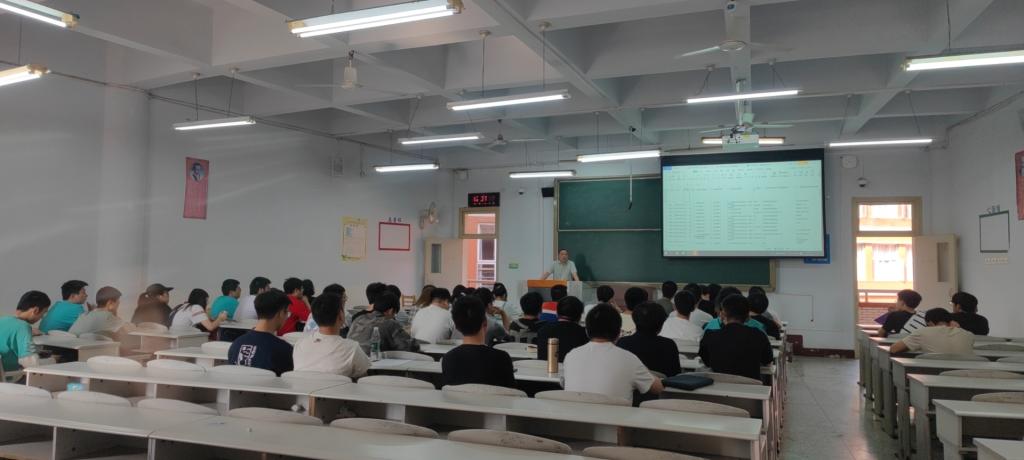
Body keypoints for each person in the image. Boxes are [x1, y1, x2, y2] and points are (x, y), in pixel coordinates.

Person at [563, 303, 663, 403]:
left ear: (587, 331)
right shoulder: (629, 359)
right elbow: (658, 388)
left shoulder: (571, 355)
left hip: (573, 412)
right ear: (618, 333)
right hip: (615, 413)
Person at [441, 295, 516, 388]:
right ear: (485, 323)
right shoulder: (502, 358)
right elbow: (511, 392)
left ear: (456, 326)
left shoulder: (448, 358)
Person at [292, 293, 370, 378]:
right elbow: (365, 377)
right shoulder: (351, 348)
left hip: (302, 386)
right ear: (340, 315)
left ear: (313, 317)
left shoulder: (299, 344)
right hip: (339, 387)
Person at [698, 294, 773, 381]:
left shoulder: (710, 335)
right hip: (750, 387)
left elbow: (706, 361)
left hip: (718, 385)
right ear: (748, 317)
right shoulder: (759, 335)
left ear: (722, 315)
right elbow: (767, 360)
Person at [228, 290, 293, 376]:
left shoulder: (236, 344)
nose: (287, 317)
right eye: (287, 312)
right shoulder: (284, 349)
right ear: (281, 313)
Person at [616, 302, 681, 377]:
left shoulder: (622, 343)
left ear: (634, 320)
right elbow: (675, 376)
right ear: (661, 324)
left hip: (630, 384)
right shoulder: (669, 345)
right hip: (663, 384)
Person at [347, 292, 420, 355]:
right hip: (374, 363)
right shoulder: (390, 323)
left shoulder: (359, 318)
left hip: (351, 360)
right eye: (395, 313)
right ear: (391, 310)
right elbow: (408, 347)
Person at [0, 291, 51, 375]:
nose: (42, 317)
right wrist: (53, 361)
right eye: (43, 313)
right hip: (10, 377)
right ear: (36, 310)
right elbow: (31, 363)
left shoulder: (3, 320)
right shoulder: (23, 327)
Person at [890, 308, 975, 355]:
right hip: (964, 374)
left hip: (933, 375)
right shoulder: (968, 335)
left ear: (929, 322)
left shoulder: (923, 332)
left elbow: (894, 349)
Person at [536, 296, 589, 362]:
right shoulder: (584, 334)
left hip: (545, 368)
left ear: (557, 313)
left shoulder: (542, 330)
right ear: (580, 316)